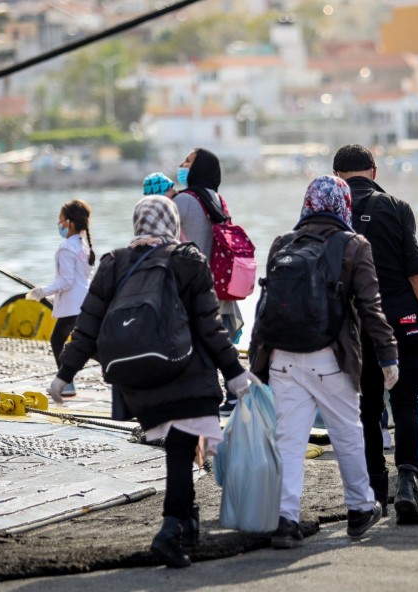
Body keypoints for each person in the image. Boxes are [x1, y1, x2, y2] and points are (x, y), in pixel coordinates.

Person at [47, 195, 259, 568]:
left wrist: (64, 375)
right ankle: (171, 528)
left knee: (177, 450)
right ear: (172, 224)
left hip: (137, 381)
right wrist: (235, 374)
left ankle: (185, 520)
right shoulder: (186, 259)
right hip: (185, 372)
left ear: (138, 224)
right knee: (181, 449)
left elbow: (88, 325)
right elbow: (209, 326)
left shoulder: (113, 262)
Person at [249, 174, 396, 548]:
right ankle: (361, 508)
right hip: (330, 357)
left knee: (289, 441)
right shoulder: (353, 245)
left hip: (282, 356)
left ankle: (285, 520)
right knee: (348, 434)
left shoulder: (284, 242)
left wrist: (256, 362)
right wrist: (388, 354)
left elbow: (265, 308)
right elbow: (370, 306)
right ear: (342, 204)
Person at [333, 144, 418, 525]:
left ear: (336, 174)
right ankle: (407, 483)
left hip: (355, 326)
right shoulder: (395, 207)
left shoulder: (330, 212)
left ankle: (376, 493)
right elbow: (417, 274)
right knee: (405, 402)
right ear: (373, 171)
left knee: (367, 409)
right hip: (403, 320)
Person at [173, 147, 245, 414]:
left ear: (199, 168)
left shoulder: (185, 201)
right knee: (219, 339)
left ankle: (204, 396)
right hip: (220, 281)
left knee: (197, 343)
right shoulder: (216, 199)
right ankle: (234, 394)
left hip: (193, 283)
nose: (182, 165)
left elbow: (165, 237)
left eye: (188, 161)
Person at [27, 199, 96, 398]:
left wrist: (42, 291)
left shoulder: (66, 247)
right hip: (86, 302)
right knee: (88, 344)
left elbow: (65, 281)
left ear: (70, 222)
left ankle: (66, 383)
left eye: (61, 219)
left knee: (57, 340)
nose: (58, 223)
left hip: (73, 304)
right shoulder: (83, 245)